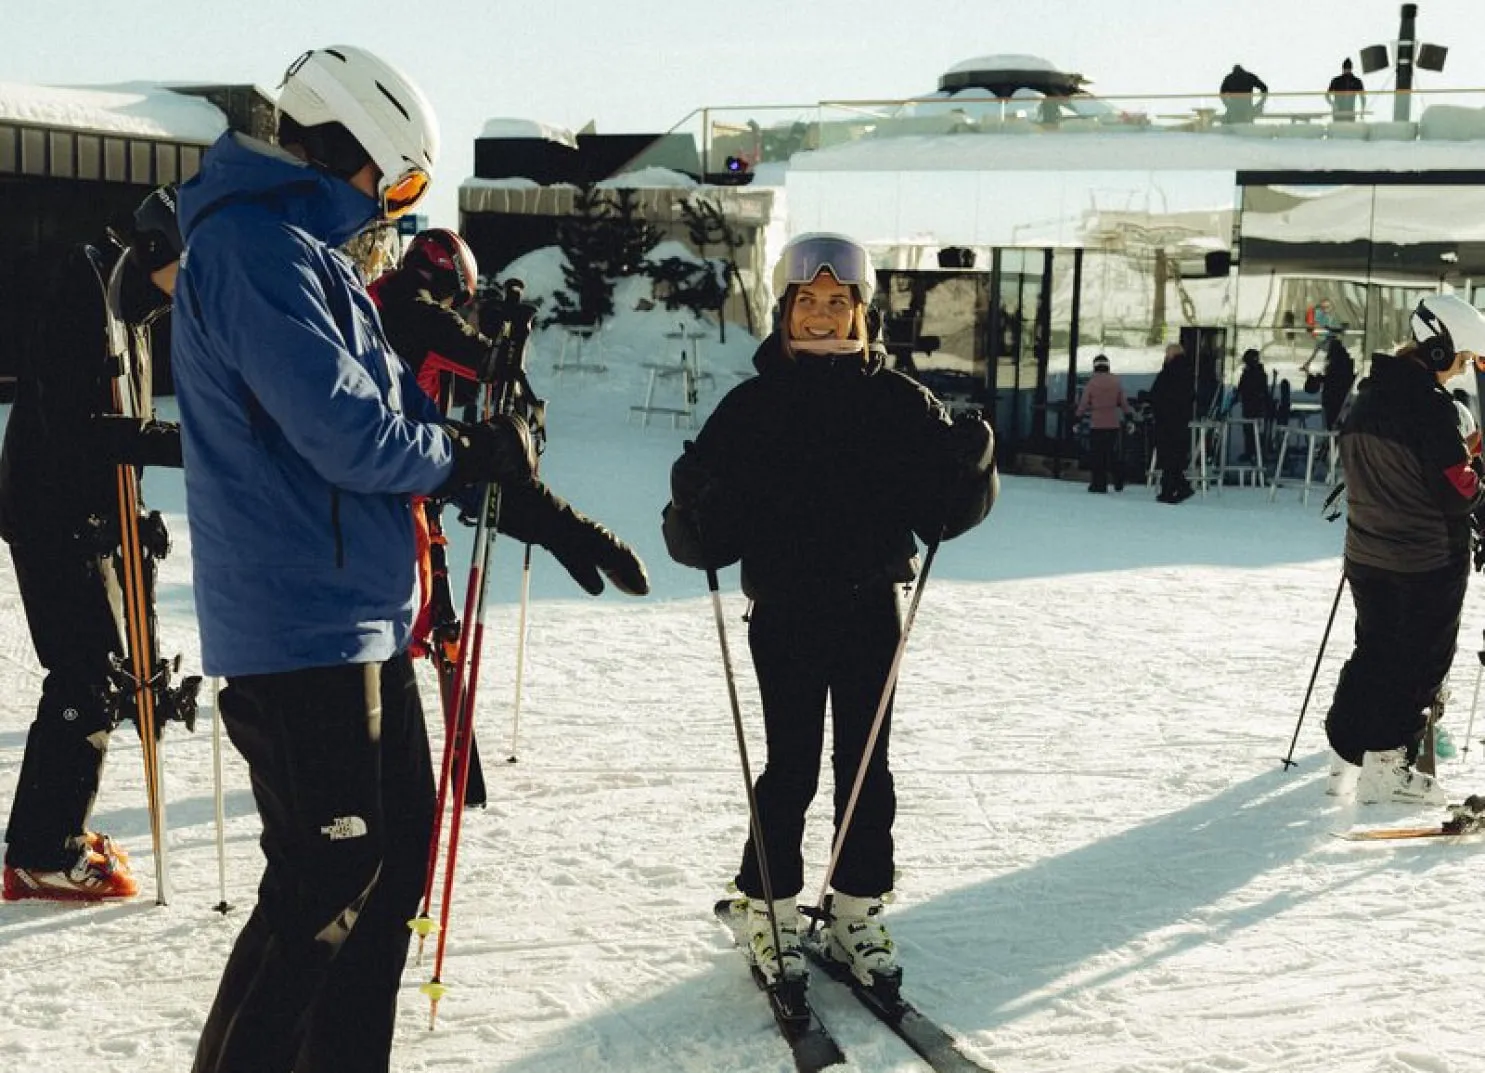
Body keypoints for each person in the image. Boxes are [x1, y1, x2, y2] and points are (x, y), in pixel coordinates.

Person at [171, 46, 648, 1073]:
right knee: (322, 882)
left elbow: (403, 417)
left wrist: (523, 495)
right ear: (351, 150)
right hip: (301, 624)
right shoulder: (254, 249)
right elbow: (346, 432)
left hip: (362, 616)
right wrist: (457, 455)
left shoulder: (312, 259)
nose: (395, 210)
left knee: (385, 881)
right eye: (398, 185)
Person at [661, 232, 997, 990]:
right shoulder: (750, 406)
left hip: (869, 603)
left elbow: (939, 513)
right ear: (785, 309)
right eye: (807, 302)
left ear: (861, 311)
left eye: (836, 303)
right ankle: (770, 906)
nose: (821, 316)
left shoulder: (896, 399)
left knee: (864, 764)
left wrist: (971, 469)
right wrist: (692, 504)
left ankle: (852, 907)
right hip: (783, 608)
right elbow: (703, 539)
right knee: (790, 766)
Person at [0, 186, 191, 902]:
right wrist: (187, 443)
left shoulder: (133, 303)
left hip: (86, 511)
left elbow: (118, 420)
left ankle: (50, 835)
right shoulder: (83, 289)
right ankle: (43, 851)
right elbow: (74, 426)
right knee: (86, 674)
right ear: (154, 250)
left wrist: (133, 513)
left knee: (103, 670)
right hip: (50, 513)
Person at [1324, 294, 1485, 805]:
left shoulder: (1370, 394)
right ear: (1439, 353)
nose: (1459, 373)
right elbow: (1456, 491)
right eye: (1461, 361)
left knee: (1373, 651)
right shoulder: (1429, 406)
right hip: (1425, 558)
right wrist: (1476, 473)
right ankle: (1389, 766)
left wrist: (1463, 455)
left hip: (1368, 552)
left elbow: (1402, 466)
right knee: (1419, 661)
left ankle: (1345, 754)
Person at [1075, 353, 1134, 493]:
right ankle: (1118, 478)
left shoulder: (1092, 383)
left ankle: (1099, 484)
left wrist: (1077, 418)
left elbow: (1083, 403)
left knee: (1097, 454)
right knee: (1112, 453)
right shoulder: (1116, 382)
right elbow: (1123, 403)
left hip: (1097, 423)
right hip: (1113, 422)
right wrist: (1129, 417)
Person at [1151, 342, 1196, 503]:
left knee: (1167, 456)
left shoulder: (1168, 373)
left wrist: (1146, 398)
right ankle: (1176, 487)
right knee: (1175, 457)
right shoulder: (1188, 373)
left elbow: (1157, 394)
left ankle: (1172, 489)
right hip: (1181, 421)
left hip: (1166, 421)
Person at [1232, 348, 1273, 461]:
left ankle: (1255, 452)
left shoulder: (1255, 373)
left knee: (1253, 430)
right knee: (1249, 430)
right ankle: (1250, 451)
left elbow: (1250, 389)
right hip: (1250, 405)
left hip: (1255, 406)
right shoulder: (1251, 373)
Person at [1326, 58, 1366, 122]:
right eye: (1346, 68)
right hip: (1339, 113)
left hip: (1349, 113)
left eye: (1348, 68)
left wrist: (1362, 111)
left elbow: (1363, 98)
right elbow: (1327, 95)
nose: (1347, 70)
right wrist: (1333, 104)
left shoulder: (1356, 81)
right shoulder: (1336, 80)